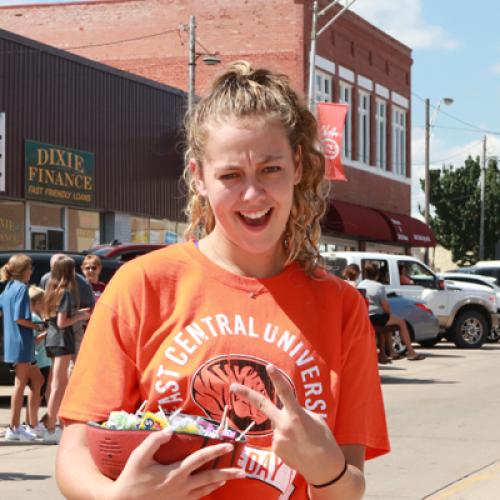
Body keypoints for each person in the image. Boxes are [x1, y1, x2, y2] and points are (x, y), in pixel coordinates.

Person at [57, 61, 389, 499]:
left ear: (298, 167)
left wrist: (324, 468)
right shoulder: (142, 285)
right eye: (231, 175)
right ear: (199, 177)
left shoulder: (342, 307)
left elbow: (349, 488)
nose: (252, 196)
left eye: (270, 169)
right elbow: (74, 450)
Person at [42, 256, 91, 443]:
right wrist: (79, 316)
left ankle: (53, 424)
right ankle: (51, 426)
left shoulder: (51, 289)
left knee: (56, 384)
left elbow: (52, 318)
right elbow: (63, 322)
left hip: (52, 339)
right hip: (62, 340)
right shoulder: (66, 292)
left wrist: (76, 314)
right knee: (58, 385)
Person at [0, 254, 44, 441]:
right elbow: (20, 318)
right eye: (30, 268)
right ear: (24, 270)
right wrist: (38, 326)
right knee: (19, 385)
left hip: (13, 341)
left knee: (38, 380)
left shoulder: (7, 289)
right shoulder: (20, 288)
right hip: (21, 342)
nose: (31, 271)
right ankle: (14, 427)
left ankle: (29, 424)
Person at [359, 262, 425, 362]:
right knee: (401, 322)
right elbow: (386, 307)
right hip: (376, 317)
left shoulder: (361, 284)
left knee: (387, 323)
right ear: (377, 274)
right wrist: (389, 313)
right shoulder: (378, 287)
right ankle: (411, 352)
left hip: (364, 317)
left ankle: (385, 353)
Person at [40, 253, 95, 361]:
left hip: (73, 332)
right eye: (52, 268)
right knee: (62, 372)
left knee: (68, 368)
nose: (54, 272)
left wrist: (79, 314)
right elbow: (60, 320)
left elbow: (91, 308)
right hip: (56, 333)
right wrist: (78, 315)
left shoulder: (82, 283)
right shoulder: (49, 281)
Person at [25, 285, 52, 437]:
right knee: (37, 394)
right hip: (41, 361)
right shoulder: (34, 319)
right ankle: (33, 424)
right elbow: (34, 340)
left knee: (36, 393)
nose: (45, 304)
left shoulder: (37, 318)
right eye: (43, 302)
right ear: (35, 303)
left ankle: (31, 421)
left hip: (43, 360)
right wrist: (49, 333)